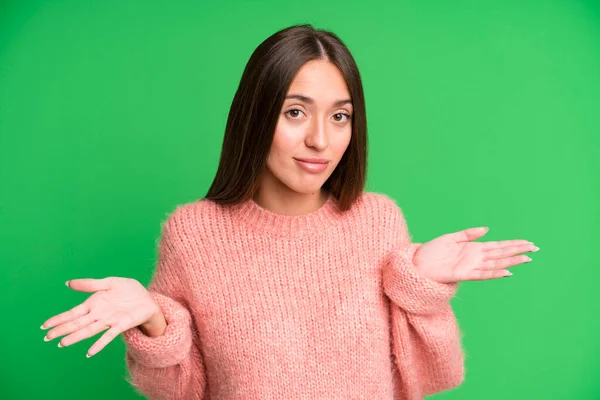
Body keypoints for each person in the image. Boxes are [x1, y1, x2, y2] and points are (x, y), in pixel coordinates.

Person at [40, 24, 539, 399]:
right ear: (256, 114)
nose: (321, 139)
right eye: (295, 112)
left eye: (340, 116)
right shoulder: (193, 232)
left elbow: (436, 376)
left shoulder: (379, 221)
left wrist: (421, 290)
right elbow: (183, 392)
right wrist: (153, 321)